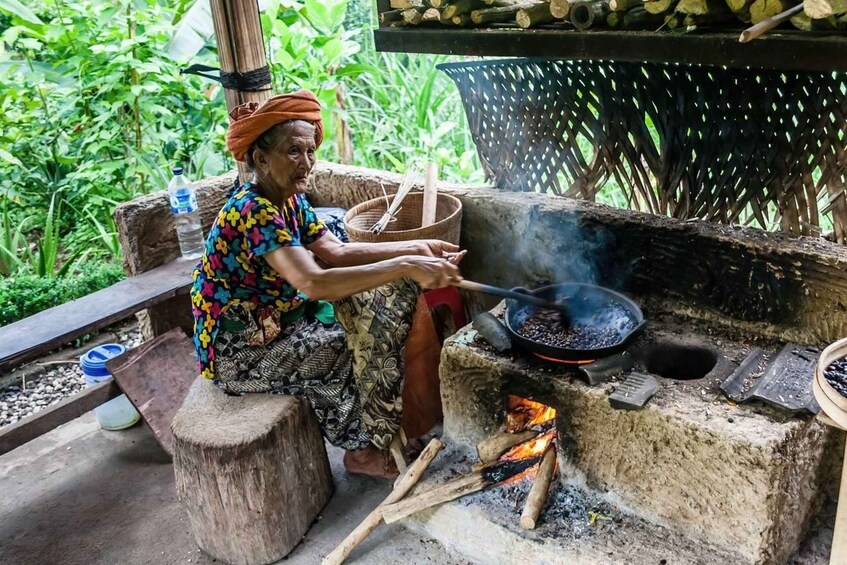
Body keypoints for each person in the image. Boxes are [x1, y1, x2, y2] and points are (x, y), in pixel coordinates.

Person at [190, 90, 464, 478]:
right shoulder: (251, 211)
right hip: (238, 351)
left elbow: (335, 250)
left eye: (310, 152)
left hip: (280, 325)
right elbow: (314, 281)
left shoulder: (288, 199)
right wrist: (405, 264)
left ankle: (377, 433)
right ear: (260, 158)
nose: (306, 163)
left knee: (364, 322)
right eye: (293, 152)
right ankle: (362, 452)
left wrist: (417, 247)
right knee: (341, 345)